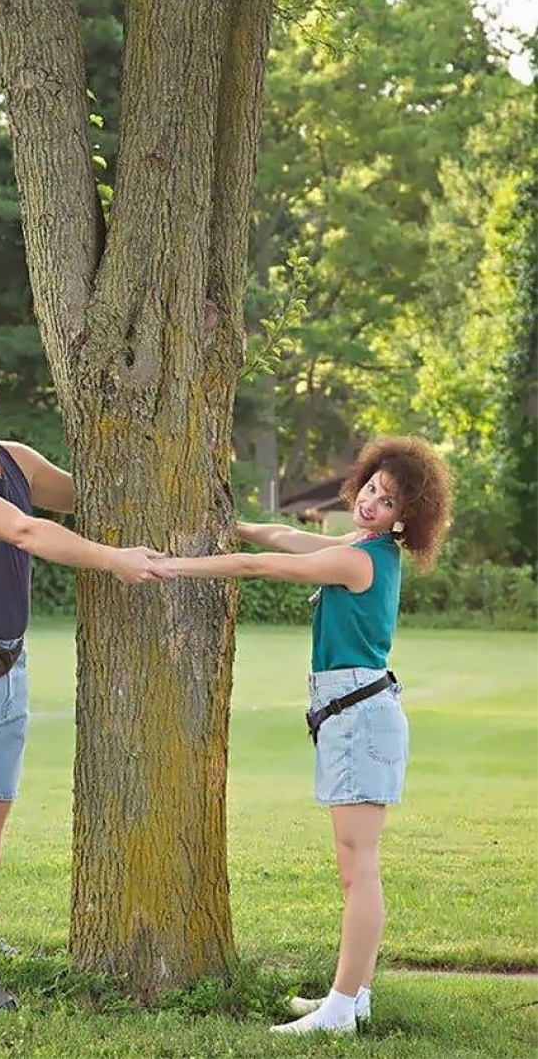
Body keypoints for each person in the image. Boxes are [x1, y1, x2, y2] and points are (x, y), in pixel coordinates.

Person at [150, 436, 452, 1035]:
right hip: (350, 713)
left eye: (388, 501)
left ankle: (341, 1008)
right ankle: (354, 996)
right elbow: (285, 539)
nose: (371, 502)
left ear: (406, 517)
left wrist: (170, 565)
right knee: (356, 864)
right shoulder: (359, 546)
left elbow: (264, 566)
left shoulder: (360, 560)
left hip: (359, 717)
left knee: (357, 867)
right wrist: (232, 524)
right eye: (370, 488)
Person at [0, 347, 163, 1010]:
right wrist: (112, 561)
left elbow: (86, 493)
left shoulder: (15, 461)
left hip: (8, 657)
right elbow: (24, 530)